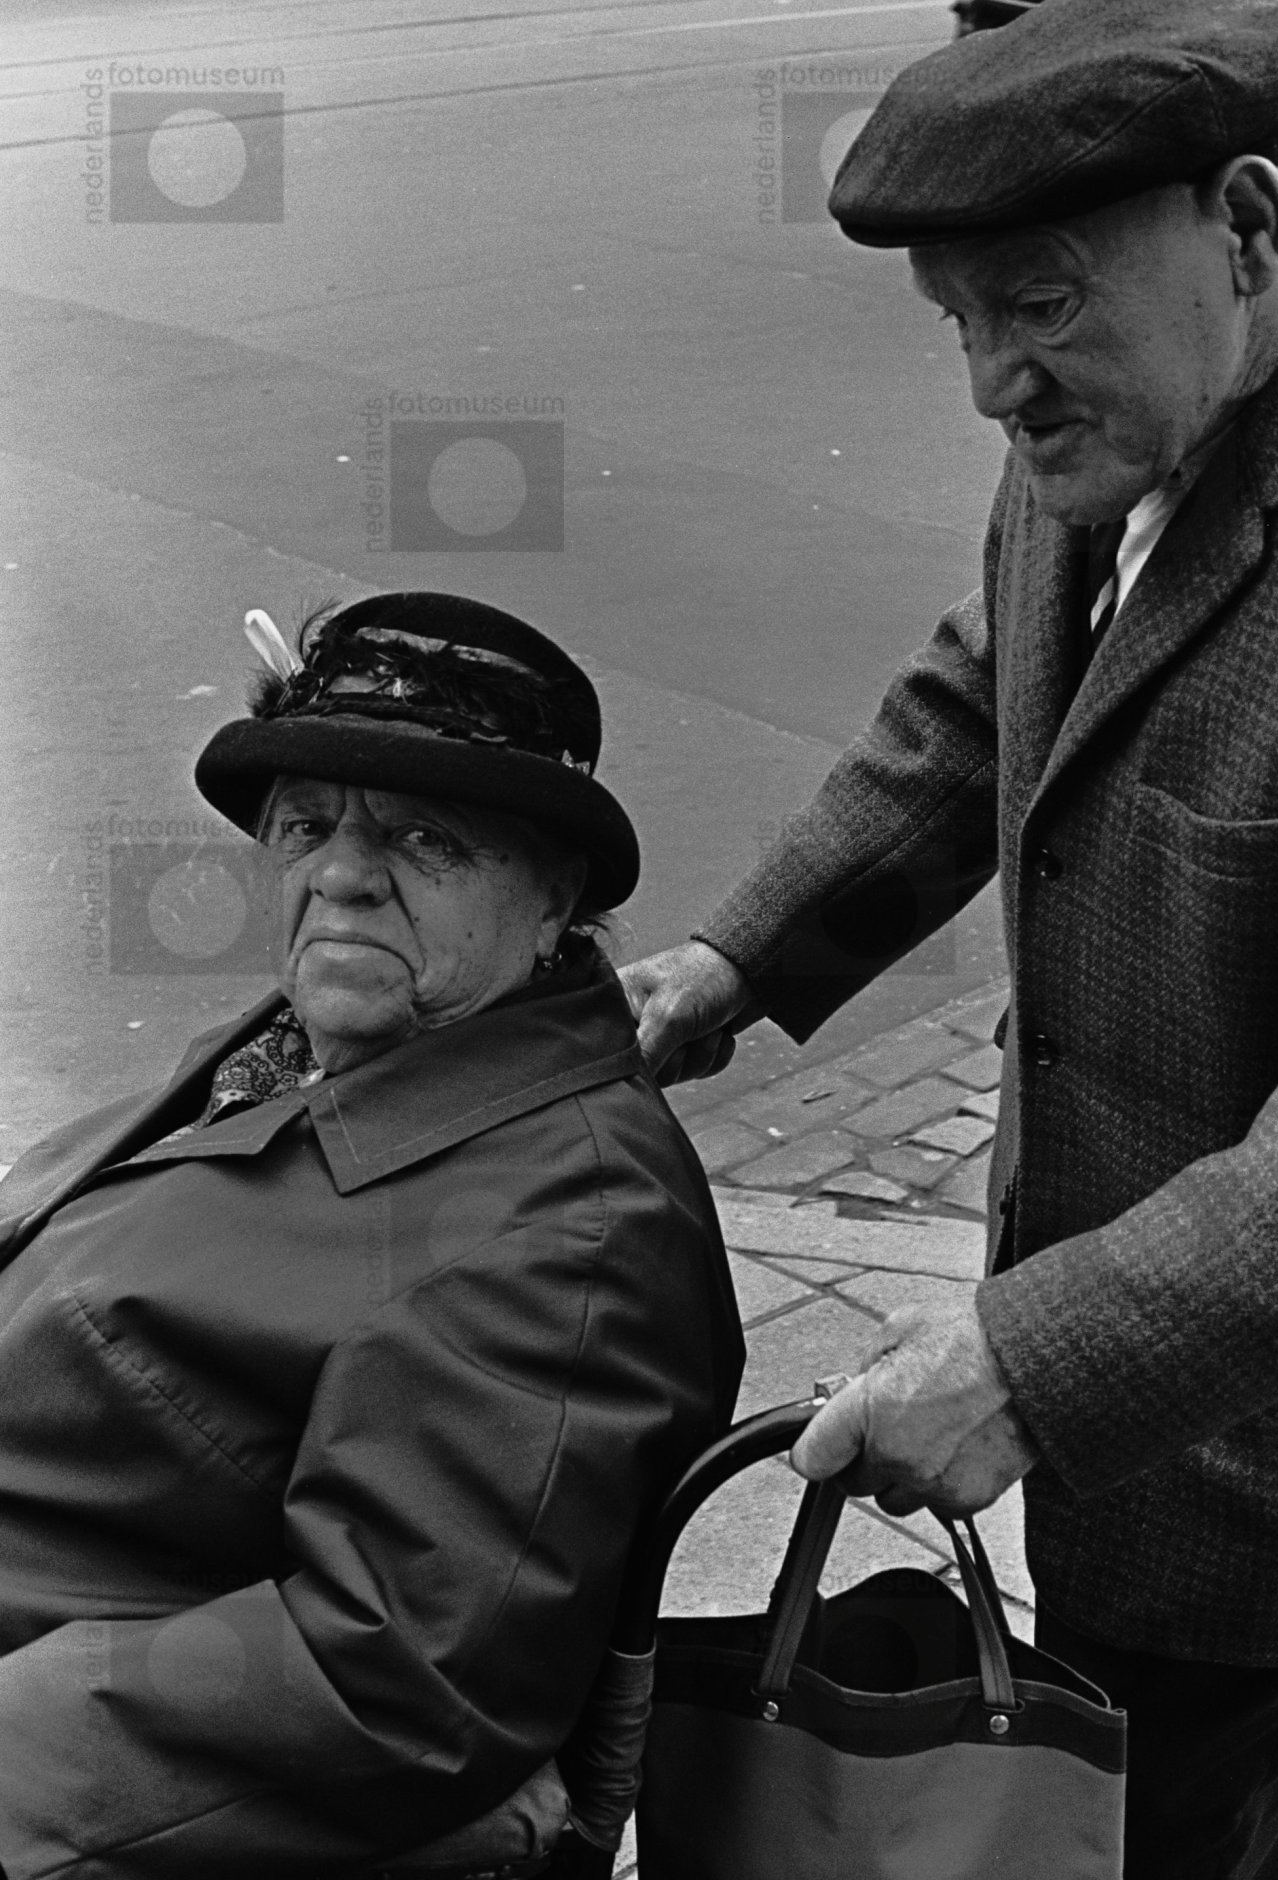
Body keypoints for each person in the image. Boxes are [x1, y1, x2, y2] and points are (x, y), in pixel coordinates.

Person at [622, 0, 1278, 1877]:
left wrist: (1021, 1366)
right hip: (1106, 1445)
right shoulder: (1103, 435)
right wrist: (735, 958)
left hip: (1273, 1509)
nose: (990, 383)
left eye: (1037, 303)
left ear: (1242, 225)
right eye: (956, 322)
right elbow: (976, 702)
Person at [0, 591, 743, 1878]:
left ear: (552, 896)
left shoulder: (567, 1229)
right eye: (304, 825)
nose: (339, 874)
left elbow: (394, 1678)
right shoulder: (329, 1039)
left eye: (422, 837)